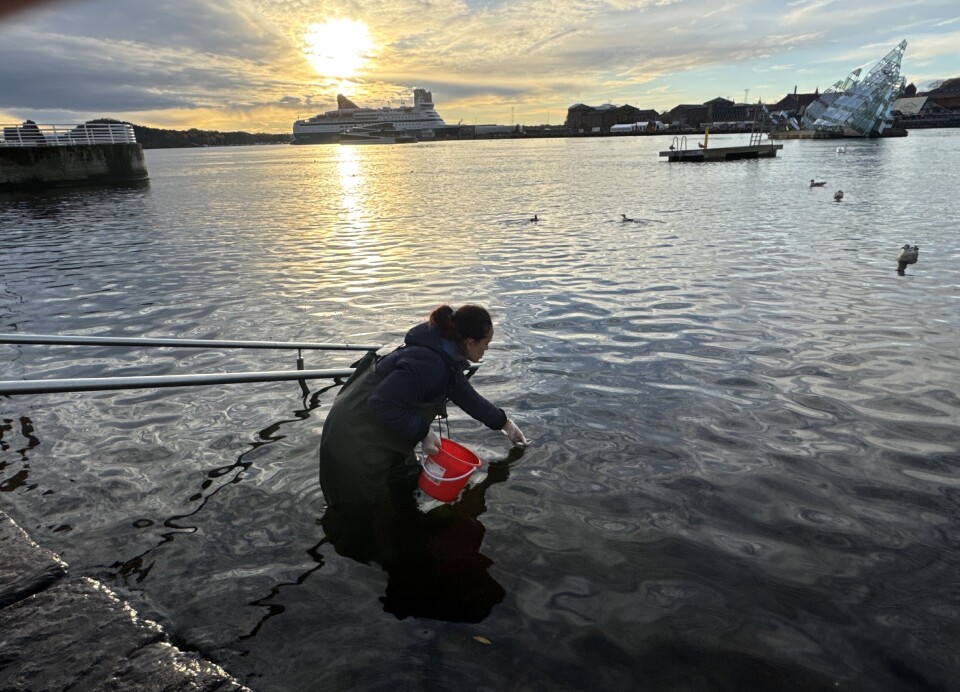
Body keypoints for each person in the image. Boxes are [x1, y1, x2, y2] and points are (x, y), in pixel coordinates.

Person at [319, 304, 529, 507]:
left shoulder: (447, 356)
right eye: (486, 343)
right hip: (353, 441)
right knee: (361, 513)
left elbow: (468, 398)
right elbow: (382, 402)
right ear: (470, 343)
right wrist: (424, 433)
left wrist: (505, 424)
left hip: (378, 435)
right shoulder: (429, 363)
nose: (487, 349)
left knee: (405, 493)